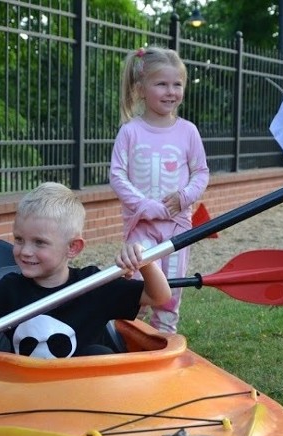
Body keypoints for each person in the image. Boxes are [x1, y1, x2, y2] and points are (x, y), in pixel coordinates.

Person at [0, 182, 172, 375]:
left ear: (73, 248)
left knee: (100, 352)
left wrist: (145, 262)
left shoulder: (94, 285)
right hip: (28, 390)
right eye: (19, 240)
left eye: (39, 243)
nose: (25, 251)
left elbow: (159, 296)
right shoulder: (9, 290)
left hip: (86, 389)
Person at [109, 46, 210, 334]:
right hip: (141, 226)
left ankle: (165, 338)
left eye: (177, 84)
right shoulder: (130, 131)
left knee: (171, 289)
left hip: (178, 227)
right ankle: (126, 337)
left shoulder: (187, 131)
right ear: (141, 89)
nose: (171, 91)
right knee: (136, 285)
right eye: (161, 84)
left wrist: (185, 197)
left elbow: (200, 172)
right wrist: (145, 205)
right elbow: (117, 174)